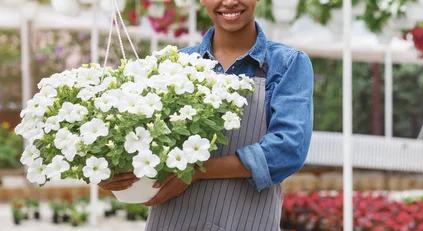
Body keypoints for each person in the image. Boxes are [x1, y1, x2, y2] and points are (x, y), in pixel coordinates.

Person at [98, 0, 314, 230]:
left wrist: (195, 172)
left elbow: (287, 150)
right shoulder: (175, 63)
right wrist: (110, 172)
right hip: (174, 220)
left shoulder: (287, 64)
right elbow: (144, 143)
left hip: (246, 220)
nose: (229, 2)